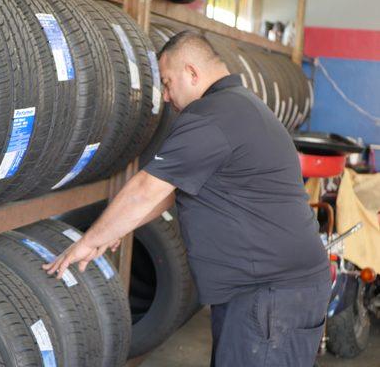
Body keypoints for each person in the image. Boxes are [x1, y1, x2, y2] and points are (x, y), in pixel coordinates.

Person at [43, 30, 330, 367]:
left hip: (268, 299)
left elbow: (147, 188)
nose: (165, 96)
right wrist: (119, 228)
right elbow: (173, 189)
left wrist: (89, 241)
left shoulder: (211, 116)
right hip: (282, 291)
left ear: (192, 73)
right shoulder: (242, 106)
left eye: (167, 82)